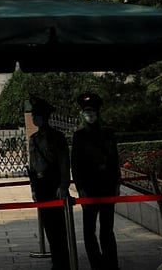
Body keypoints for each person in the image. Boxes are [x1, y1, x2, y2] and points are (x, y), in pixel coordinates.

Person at [71, 92, 121, 270]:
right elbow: (75, 165)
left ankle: (111, 263)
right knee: (89, 229)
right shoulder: (79, 136)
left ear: (98, 112)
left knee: (107, 228)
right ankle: (96, 264)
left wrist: (117, 184)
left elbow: (115, 161)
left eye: (92, 111)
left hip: (106, 185)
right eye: (86, 111)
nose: (89, 114)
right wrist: (80, 188)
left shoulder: (108, 133)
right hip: (89, 187)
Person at [26, 96, 71, 270]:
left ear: (44, 117)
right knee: (48, 226)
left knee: (58, 226)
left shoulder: (56, 137)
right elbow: (32, 164)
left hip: (54, 184)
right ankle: (56, 259)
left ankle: (63, 261)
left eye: (36, 115)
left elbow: (64, 162)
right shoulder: (33, 138)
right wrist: (33, 188)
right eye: (33, 115)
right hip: (41, 184)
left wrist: (64, 185)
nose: (34, 118)